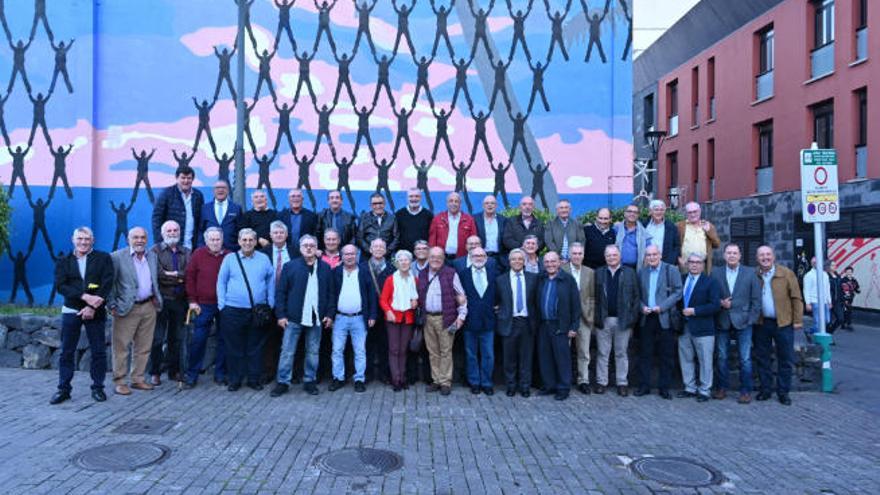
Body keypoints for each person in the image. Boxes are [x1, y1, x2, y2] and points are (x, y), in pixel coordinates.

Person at [51, 227, 114, 404]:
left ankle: (98, 388)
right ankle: (63, 389)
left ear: (92, 240)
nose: (83, 242)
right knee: (66, 351)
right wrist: (85, 297)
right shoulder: (64, 261)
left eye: (87, 239)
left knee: (99, 351)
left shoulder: (103, 258)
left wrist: (92, 306)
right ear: (73, 240)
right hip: (71, 309)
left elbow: (107, 282)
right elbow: (61, 286)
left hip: (96, 310)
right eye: (80, 239)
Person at [271, 235, 333, 396]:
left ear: (317, 248)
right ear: (300, 248)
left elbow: (331, 293)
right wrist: (281, 315)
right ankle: (283, 382)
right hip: (293, 317)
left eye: (312, 245)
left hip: (316, 317)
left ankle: (309, 381)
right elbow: (281, 293)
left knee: (313, 351)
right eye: (305, 245)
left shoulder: (325, 268)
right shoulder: (290, 267)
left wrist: (330, 314)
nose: (308, 248)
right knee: (287, 351)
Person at [217, 229, 275, 391]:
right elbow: (221, 282)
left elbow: (270, 281)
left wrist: (270, 303)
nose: (247, 243)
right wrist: (222, 306)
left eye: (251, 240)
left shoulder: (263, 259)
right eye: (244, 240)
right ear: (239, 241)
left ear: (256, 241)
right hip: (233, 310)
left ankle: (253, 379)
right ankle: (235, 379)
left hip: (257, 312)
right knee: (234, 347)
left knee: (255, 347)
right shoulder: (230, 259)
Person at [108, 227, 164, 396]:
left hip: (148, 306)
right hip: (126, 308)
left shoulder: (152, 256)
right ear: (128, 239)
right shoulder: (117, 257)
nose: (140, 240)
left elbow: (155, 279)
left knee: (144, 346)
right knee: (121, 347)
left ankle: (138, 379)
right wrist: (111, 305)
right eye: (136, 237)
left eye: (143, 237)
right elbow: (110, 283)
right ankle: (120, 381)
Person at [711, 243, 761, 403]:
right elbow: (711, 296)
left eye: (735, 253)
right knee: (721, 357)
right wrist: (720, 302)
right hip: (722, 320)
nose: (731, 255)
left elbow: (756, 300)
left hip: (744, 321)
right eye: (729, 253)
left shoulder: (750, 273)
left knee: (745, 358)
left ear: (740, 255)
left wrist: (751, 320)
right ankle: (721, 388)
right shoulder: (715, 273)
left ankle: (746, 391)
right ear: (724, 255)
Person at [755, 245, 804, 405]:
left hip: (783, 323)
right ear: (757, 258)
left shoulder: (786, 274)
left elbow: (796, 298)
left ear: (774, 257)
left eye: (768, 254)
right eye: (762, 255)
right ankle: (765, 390)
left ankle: (783, 392)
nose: (765, 258)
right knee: (763, 358)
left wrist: (798, 320)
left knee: (785, 358)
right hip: (762, 323)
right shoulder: (754, 275)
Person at [417, 247, 468, 395]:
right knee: (433, 352)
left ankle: (445, 382)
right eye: (432, 256)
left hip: (446, 318)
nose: (435, 259)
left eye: (439, 257)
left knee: (445, 351)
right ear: (428, 257)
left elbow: (461, 297)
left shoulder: (451, 273)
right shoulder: (422, 274)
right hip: (428, 319)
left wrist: (461, 317)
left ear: (443, 259)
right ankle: (436, 380)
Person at [183, 227, 229, 388]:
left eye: (218, 239)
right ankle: (192, 374)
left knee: (225, 339)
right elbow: (189, 277)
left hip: (225, 305)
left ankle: (220, 374)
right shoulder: (198, 254)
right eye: (212, 240)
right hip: (203, 305)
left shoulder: (229, 256)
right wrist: (192, 300)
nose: (215, 242)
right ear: (206, 240)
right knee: (198, 339)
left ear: (222, 240)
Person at [635, 245, 682, 399]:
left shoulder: (671, 270)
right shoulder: (642, 272)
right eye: (648, 255)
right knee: (645, 354)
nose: (651, 257)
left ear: (660, 255)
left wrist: (661, 307)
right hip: (646, 318)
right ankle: (644, 386)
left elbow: (678, 292)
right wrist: (642, 308)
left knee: (666, 355)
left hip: (665, 318)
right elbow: (638, 295)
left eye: (654, 254)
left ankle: (664, 388)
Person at [330, 244, 377, 393]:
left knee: (360, 351)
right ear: (341, 256)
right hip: (339, 318)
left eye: (352, 254)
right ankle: (338, 378)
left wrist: (372, 315)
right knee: (337, 350)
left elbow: (371, 295)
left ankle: (359, 379)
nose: (349, 257)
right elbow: (331, 295)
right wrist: (330, 316)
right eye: (346, 254)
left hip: (359, 318)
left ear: (356, 256)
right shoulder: (336, 272)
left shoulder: (364, 272)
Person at [149, 220, 191, 385]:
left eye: (175, 230)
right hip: (161, 301)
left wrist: (172, 274)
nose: (173, 233)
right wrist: (177, 276)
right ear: (162, 233)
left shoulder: (186, 251)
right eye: (169, 230)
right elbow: (158, 275)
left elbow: (189, 273)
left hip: (180, 301)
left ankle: (174, 371)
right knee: (158, 338)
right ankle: (155, 372)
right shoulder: (155, 251)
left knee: (176, 338)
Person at [593, 244, 639, 395]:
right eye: (608, 255)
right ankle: (601, 382)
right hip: (603, 319)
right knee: (602, 353)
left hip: (623, 320)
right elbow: (593, 297)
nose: (611, 258)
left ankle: (622, 383)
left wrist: (631, 319)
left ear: (620, 256)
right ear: (605, 257)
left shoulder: (630, 273)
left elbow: (636, 298)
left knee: (621, 353)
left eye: (614, 255)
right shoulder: (598, 273)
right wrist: (596, 318)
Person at [536, 251, 581, 400]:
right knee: (545, 357)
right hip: (543, 324)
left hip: (560, 325)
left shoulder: (568, 280)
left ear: (560, 262)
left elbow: (576, 304)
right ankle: (549, 385)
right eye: (547, 262)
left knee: (562, 358)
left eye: (553, 261)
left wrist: (574, 326)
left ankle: (563, 387)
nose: (550, 264)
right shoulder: (541, 279)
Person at [676, 253, 721, 402]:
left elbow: (715, 305)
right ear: (687, 264)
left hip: (703, 328)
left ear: (703, 265)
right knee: (686, 358)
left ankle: (704, 390)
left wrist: (695, 311)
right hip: (684, 327)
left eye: (698, 262)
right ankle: (689, 387)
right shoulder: (681, 280)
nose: (694, 265)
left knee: (705, 360)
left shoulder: (710, 282)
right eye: (691, 262)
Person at [496, 249, 540, 397]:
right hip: (509, 322)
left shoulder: (533, 278)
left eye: (520, 259)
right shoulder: (500, 280)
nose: (517, 261)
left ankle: (525, 386)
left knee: (526, 357)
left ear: (524, 261)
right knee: (509, 358)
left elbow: (536, 301)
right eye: (513, 259)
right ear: (509, 262)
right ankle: (511, 385)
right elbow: (497, 301)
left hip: (527, 323)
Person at [458, 248, 497, 395]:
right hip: (470, 321)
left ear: (486, 258)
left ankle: (486, 383)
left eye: (481, 255)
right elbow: (459, 297)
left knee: (488, 354)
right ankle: (474, 382)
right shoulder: (463, 274)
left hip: (488, 322)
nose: (478, 258)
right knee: (471, 354)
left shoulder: (494, 274)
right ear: (470, 257)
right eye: (475, 255)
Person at [260, 221, 296, 383]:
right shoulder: (263, 253)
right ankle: (269, 371)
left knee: (292, 339)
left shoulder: (295, 252)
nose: (279, 235)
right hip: (270, 301)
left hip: (290, 302)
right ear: (271, 235)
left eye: (282, 233)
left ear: (287, 235)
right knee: (270, 339)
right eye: (276, 233)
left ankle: (293, 372)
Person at [379, 250, 420, 391]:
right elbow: (383, 300)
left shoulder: (414, 280)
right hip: (393, 317)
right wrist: (388, 311)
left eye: (406, 260)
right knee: (394, 349)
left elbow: (418, 297)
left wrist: (416, 301)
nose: (404, 262)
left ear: (410, 262)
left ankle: (403, 378)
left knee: (403, 350)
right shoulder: (391, 279)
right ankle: (395, 379)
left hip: (408, 317)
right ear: (397, 263)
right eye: (401, 260)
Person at [561, 243, 595, 395]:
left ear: (583, 255)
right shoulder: (562, 270)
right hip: (566, 318)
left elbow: (593, 296)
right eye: (574, 253)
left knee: (584, 351)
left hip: (584, 317)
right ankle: (564, 379)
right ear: (569, 255)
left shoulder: (590, 272)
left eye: (579, 253)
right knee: (564, 350)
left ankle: (583, 380)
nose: (577, 256)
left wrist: (590, 314)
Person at [362, 238, 396, 383]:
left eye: (381, 247)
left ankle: (384, 373)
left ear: (386, 249)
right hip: (368, 311)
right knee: (367, 344)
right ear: (370, 249)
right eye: (375, 246)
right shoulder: (362, 267)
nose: (378, 249)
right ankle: (368, 373)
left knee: (385, 344)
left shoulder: (392, 268)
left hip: (385, 312)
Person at [152, 165, 204, 250]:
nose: (186, 181)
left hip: (191, 246)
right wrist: (160, 244)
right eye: (183, 178)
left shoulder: (198, 196)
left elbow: (199, 222)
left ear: (193, 179)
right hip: (171, 246)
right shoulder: (166, 194)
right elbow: (156, 220)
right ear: (176, 178)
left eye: (189, 178)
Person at [429, 192, 477, 263]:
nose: (453, 204)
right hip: (441, 259)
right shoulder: (438, 218)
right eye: (451, 201)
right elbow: (432, 240)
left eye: (456, 201)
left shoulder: (469, 219)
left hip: (462, 258)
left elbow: (474, 240)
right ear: (447, 203)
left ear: (460, 204)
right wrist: (433, 256)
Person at [677, 202, 720, 273]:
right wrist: (678, 258)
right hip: (685, 265)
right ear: (686, 213)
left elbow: (717, 244)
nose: (693, 214)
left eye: (695, 211)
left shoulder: (708, 225)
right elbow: (674, 245)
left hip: (702, 266)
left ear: (699, 211)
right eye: (690, 212)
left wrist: (709, 231)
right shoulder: (679, 226)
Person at [199, 180, 241, 252]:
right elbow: (200, 230)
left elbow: (240, 229)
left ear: (228, 190)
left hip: (231, 250)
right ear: (213, 191)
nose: (220, 190)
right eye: (217, 188)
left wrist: (237, 247)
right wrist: (201, 247)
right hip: (209, 250)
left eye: (223, 188)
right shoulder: (205, 208)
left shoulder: (236, 208)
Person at [277, 189, 318, 256]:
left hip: (306, 253)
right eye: (293, 196)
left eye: (298, 196)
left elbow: (315, 235)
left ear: (302, 199)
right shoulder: (280, 216)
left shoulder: (312, 216)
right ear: (289, 199)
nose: (295, 199)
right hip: (285, 253)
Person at [642, 199, 680, 266]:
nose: (659, 212)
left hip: (665, 264)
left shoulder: (671, 226)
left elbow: (676, 246)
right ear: (650, 211)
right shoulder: (643, 225)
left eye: (661, 210)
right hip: (646, 263)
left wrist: (670, 262)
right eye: (656, 210)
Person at [395, 188, 433, 253]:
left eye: (416, 196)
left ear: (420, 198)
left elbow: (432, 235)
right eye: (411, 196)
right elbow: (395, 234)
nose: (414, 199)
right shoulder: (399, 214)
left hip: (422, 254)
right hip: (403, 255)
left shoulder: (428, 215)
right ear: (407, 198)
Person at [615, 203, 652, 270]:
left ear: (638, 215)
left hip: (637, 269)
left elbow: (648, 253)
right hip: (618, 267)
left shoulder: (644, 233)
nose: (632, 214)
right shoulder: (616, 229)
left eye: (635, 212)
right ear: (624, 214)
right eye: (629, 211)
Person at [474, 195, 507, 266]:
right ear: (483, 205)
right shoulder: (475, 219)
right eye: (487, 203)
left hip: (499, 258)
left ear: (496, 205)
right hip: (480, 257)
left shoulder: (503, 220)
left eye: (492, 203)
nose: (490, 205)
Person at [802, 256, 832, 335]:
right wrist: (807, 303)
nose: (815, 264)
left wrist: (829, 301)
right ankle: (817, 339)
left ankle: (809, 331)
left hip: (825, 301)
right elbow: (806, 290)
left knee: (827, 320)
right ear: (812, 264)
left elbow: (827, 288)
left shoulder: (825, 274)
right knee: (818, 323)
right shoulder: (808, 275)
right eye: (814, 263)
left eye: (817, 262)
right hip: (815, 301)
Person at [841, 266, 860, 330]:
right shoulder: (843, 280)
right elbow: (841, 289)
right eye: (847, 272)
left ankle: (843, 323)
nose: (849, 273)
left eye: (850, 272)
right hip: (844, 298)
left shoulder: (854, 280)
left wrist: (858, 290)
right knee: (848, 311)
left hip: (851, 298)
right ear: (845, 272)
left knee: (847, 311)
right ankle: (848, 324)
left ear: (852, 272)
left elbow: (857, 288)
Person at [826, 261, 844, 333]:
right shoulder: (826, 276)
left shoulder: (838, 276)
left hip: (837, 301)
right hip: (828, 300)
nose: (835, 266)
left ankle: (830, 332)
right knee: (828, 321)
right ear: (828, 267)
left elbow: (840, 288)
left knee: (841, 319)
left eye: (835, 265)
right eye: (833, 265)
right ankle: (827, 337)